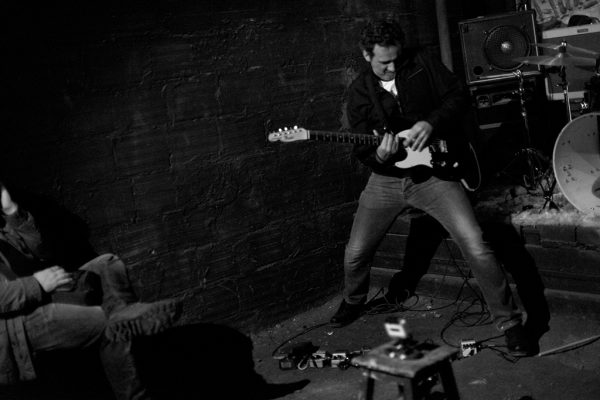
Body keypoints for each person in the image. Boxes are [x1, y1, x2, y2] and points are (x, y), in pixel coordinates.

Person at [329, 18, 534, 356]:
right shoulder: (359, 94)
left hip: (435, 174)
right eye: (384, 62)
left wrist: (430, 122)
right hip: (387, 180)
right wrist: (380, 156)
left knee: (475, 243)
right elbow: (363, 151)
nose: (392, 67)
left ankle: (510, 324)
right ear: (367, 55)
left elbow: (458, 95)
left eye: (396, 59)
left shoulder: (421, 62)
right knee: (355, 252)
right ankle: (353, 300)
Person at [0, 182, 182, 399]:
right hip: (13, 324)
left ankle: (123, 311)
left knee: (107, 263)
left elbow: (41, 252)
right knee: (108, 325)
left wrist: (11, 210)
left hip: (31, 297)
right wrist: (37, 284)